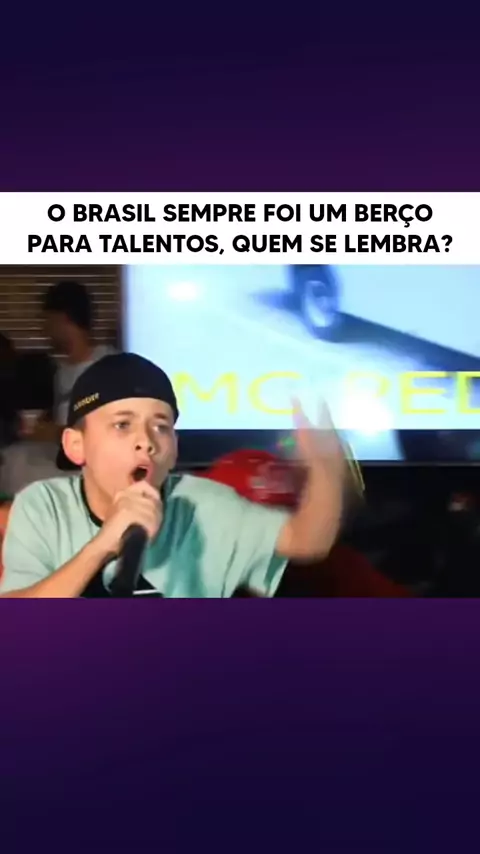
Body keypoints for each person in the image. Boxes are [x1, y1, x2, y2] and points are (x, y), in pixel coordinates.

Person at [0, 353, 347, 598]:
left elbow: (307, 541)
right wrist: (103, 545)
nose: (146, 441)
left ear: (174, 449)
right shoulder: (43, 506)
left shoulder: (204, 505)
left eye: (161, 426)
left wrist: (327, 468)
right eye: (122, 425)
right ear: (76, 445)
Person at [34, 281, 114, 441]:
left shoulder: (110, 367)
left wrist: (56, 433)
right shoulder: (61, 371)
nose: (44, 330)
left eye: (47, 321)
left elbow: (110, 431)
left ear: (62, 319)